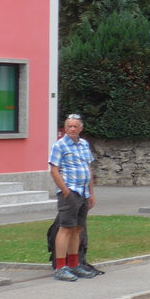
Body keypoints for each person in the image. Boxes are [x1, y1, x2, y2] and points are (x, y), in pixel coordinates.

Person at [48, 113, 96, 281]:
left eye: (75, 126)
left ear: (81, 128)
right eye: (69, 126)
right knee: (65, 228)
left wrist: (91, 193)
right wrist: (65, 190)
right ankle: (61, 267)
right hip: (70, 192)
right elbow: (54, 170)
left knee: (77, 229)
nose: (72, 129)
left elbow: (88, 168)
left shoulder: (84, 144)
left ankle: (74, 264)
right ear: (65, 128)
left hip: (83, 192)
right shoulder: (59, 145)